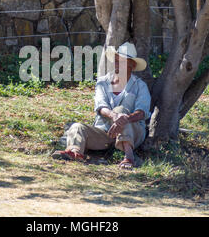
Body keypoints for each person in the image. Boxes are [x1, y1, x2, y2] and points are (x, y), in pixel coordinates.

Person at [52, 42, 152, 170]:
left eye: (121, 62)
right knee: (77, 127)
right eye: (116, 61)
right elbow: (101, 107)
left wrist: (124, 118)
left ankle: (129, 156)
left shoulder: (140, 86)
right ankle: (74, 152)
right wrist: (114, 116)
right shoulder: (103, 82)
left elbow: (142, 112)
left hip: (132, 133)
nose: (117, 65)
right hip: (105, 132)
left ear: (131, 65)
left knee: (121, 111)